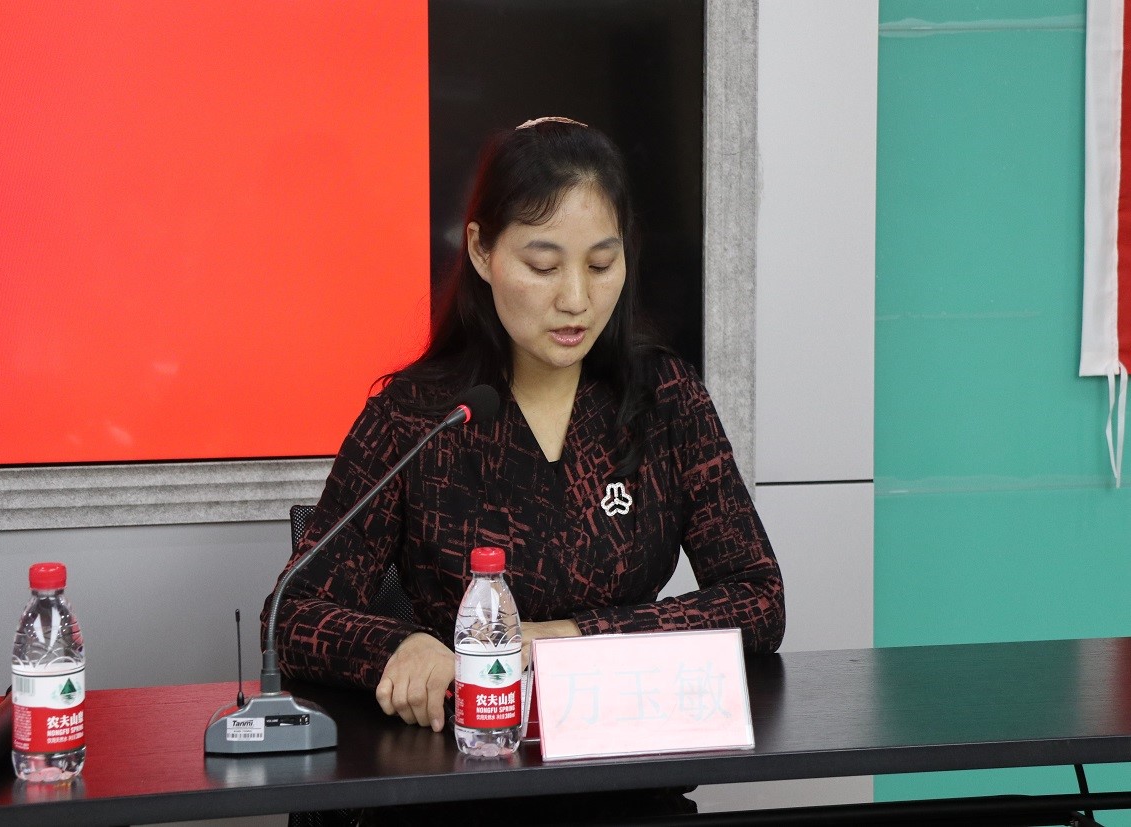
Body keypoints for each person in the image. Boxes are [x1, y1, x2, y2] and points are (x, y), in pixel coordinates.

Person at [264, 116, 785, 740]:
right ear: (481, 251)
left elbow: (758, 600)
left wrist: (572, 638)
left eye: (601, 264)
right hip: (468, 761)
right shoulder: (419, 415)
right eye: (543, 267)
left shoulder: (664, 397)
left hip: (624, 759)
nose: (576, 299)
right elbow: (291, 615)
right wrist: (398, 646)